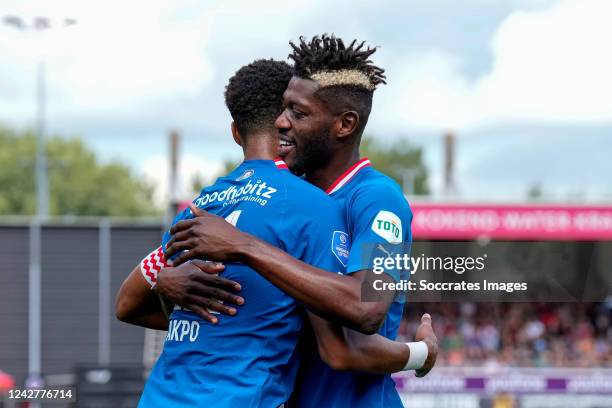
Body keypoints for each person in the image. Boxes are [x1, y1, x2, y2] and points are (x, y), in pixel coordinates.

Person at [116, 58, 435, 408]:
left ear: (344, 124)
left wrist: (422, 353)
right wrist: (164, 279)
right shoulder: (284, 200)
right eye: (283, 110)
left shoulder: (379, 200)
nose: (281, 122)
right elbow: (134, 297)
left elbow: (368, 306)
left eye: (297, 113)